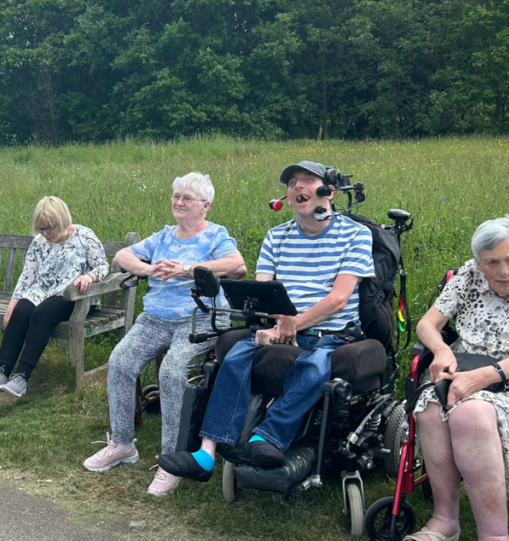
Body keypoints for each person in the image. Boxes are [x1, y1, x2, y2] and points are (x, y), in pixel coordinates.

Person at [157, 161, 375, 484]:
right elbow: (261, 292)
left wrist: (294, 324)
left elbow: (339, 299)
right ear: (286, 198)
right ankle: (206, 453)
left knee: (314, 367)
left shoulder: (356, 235)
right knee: (232, 359)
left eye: (307, 180)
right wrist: (277, 323)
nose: (298, 187)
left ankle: (266, 438)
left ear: (327, 191)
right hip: (280, 327)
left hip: (332, 332)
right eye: (292, 184)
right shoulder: (276, 237)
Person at [82, 172, 247, 497]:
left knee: (172, 373)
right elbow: (121, 256)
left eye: (187, 198)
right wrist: (147, 269)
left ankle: (171, 460)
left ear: (205, 206)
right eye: (176, 196)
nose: (179, 202)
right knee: (120, 362)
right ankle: (123, 444)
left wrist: (188, 269)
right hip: (155, 318)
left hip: (199, 318)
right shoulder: (163, 236)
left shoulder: (216, 235)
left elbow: (237, 265)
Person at [403, 216, 509, 541]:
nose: (504, 271)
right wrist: (441, 352)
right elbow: (426, 325)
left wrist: (485, 376)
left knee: (470, 414)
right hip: (463, 366)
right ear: (479, 262)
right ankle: (445, 520)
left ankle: (494, 535)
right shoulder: (468, 275)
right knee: (429, 409)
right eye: (492, 263)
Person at [0, 196, 109, 398]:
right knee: (22, 311)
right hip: (43, 292)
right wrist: (11, 306)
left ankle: (22, 377)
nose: (45, 234)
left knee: (41, 314)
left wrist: (89, 276)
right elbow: (27, 277)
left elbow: (102, 265)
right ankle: (1, 372)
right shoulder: (38, 243)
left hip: (74, 297)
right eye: (41, 229)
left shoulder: (85, 236)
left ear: (62, 221)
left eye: (50, 228)